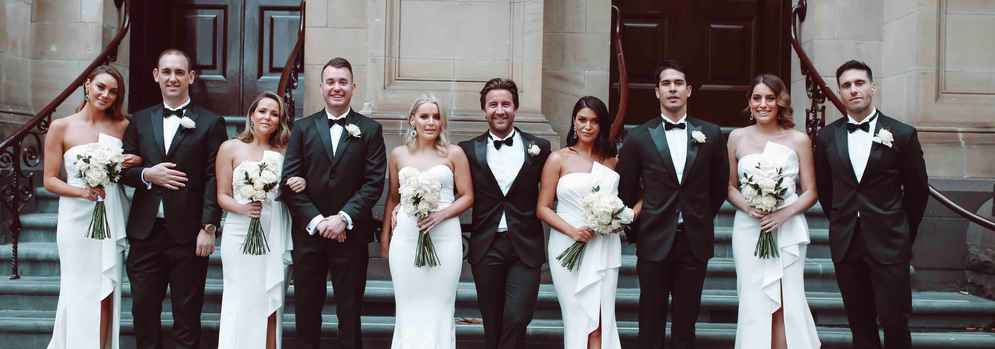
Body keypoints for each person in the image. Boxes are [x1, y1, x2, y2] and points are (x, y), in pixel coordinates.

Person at [815, 60, 928, 349]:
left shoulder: (902, 134)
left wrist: (902, 232)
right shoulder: (827, 137)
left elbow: (917, 192)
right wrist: (843, 222)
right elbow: (826, 191)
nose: (854, 90)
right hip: (847, 242)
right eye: (846, 85)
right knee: (859, 323)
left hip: (890, 242)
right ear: (840, 92)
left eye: (859, 83)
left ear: (872, 87)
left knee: (894, 322)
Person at [618, 60, 729, 349]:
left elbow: (718, 187)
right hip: (654, 239)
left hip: (694, 241)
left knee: (686, 320)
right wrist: (638, 228)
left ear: (689, 90)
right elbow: (627, 189)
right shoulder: (638, 137)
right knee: (650, 319)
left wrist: (698, 216)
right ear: (657, 92)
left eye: (678, 83)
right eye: (666, 84)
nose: (672, 89)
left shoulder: (712, 134)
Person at [121, 49, 227, 349]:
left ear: (191, 77)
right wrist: (147, 175)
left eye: (179, 72)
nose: (173, 78)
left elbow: (213, 177)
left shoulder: (210, 122)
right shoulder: (139, 120)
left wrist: (208, 227)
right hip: (145, 232)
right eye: (166, 71)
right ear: (156, 75)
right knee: (143, 311)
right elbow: (121, 170)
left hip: (189, 234)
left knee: (187, 314)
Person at [281, 57, 387, 349]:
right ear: (321, 86)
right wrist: (319, 222)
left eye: (343, 82)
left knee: (350, 312)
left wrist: (342, 218)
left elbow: (373, 182)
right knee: (306, 311)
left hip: (350, 236)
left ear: (354, 86)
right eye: (331, 82)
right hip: (309, 237)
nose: (336, 88)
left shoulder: (370, 130)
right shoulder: (302, 128)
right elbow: (290, 181)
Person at [43, 65, 139, 349]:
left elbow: (135, 166)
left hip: (109, 213)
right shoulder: (61, 126)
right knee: (77, 288)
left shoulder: (123, 126)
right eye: (101, 87)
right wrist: (82, 191)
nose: (105, 95)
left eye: (113, 92)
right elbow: (49, 180)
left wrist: (130, 162)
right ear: (87, 85)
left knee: (105, 286)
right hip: (76, 218)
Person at [726, 74, 821, 349]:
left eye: (770, 98)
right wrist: (748, 206)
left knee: (785, 299)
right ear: (749, 102)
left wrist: (783, 214)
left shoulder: (798, 139)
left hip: (787, 227)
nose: (763, 104)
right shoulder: (736, 138)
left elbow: (811, 191)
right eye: (757, 98)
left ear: (780, 102)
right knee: (754, 299)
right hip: (748, 227)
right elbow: (730, 187)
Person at [458, 78, 551, 349]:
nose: (500, 110)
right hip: (487, 246)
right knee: (492, 321)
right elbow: (451, 190)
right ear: (484, 110)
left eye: (506, 104)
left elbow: (557, 187)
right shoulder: (467, 150)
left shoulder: (539, 148)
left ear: (515, 108)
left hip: (525, 245)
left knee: (518, 315)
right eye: (493, 104)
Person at [379, 95, 474, 348]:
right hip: (407, 237)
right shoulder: (398, 154)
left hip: (445, 236)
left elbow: (467, 196)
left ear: (442, 122)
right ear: (413, 120)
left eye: (436, 116)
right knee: (407, 305)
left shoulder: (454, 153)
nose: (430, 122)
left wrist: (441, 214)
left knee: (440, 305)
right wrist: (386, 238)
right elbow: (392, 198)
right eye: (424, 116)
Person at [216, 92, 306, 348]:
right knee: (239, 297)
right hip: (239, 229)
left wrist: (300, 183)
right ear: (252, 115)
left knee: (269, 298)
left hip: (273, 229)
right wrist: (243, 209)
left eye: (274, 113)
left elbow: (293, 187)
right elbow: (222, 195)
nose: (268, 117)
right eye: (262, 111)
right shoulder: (230, 148)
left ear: (281, 121)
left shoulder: (285, 151)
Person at [537, 96, 622, 349]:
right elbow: (542, 208)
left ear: (602, 125)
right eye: (582, 120)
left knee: (599, 321)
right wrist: (572, 231)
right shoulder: (557, 159)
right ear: (573, 122)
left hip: (603, 244)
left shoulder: (613, 160)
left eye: (594, 121)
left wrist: (621, 218)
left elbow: (637, 197)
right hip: (566, 245)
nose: (587, 126)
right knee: (577, 318)